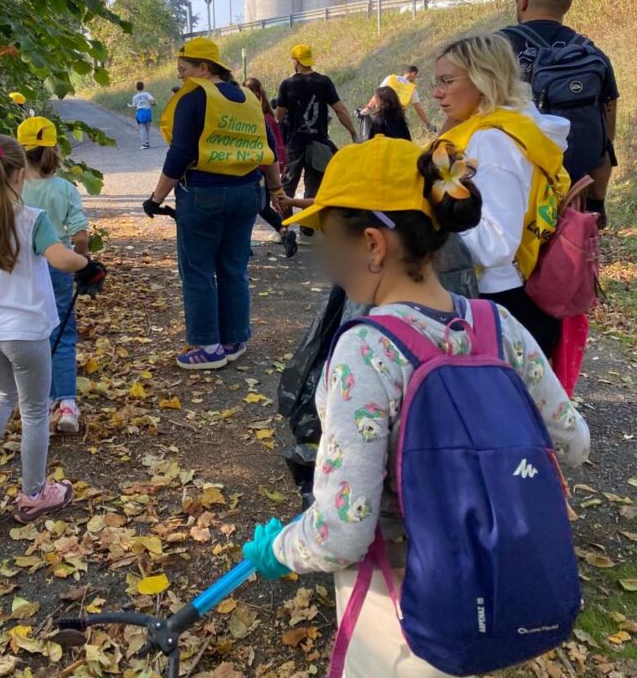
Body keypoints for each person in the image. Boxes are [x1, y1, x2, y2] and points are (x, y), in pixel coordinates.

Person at [242, 137, 589, 678]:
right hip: (493, 573)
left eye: (328, 242)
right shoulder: (498, 325)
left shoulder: (366, 350)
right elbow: (573, 443)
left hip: (403, 601)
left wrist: (282, 549)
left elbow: (342, 533)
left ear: (373, 245)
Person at [0, 135, 92, 522]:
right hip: (27, 333)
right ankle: (34, 493)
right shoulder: (32, 220)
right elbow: (61, 259)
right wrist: (87, 263)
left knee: (1, 395)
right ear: (19, 174)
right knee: (33, 412)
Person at [143, 38, 286, 370]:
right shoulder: (249, 98)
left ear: (203, 68)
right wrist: (277, 190)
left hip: (204, 195)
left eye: (184, 69)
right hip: (247, 193)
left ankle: (207, 347)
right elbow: (267, 151)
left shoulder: (193, 98)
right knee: (234, 267)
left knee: (197, 270)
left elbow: (180, 154)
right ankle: (234, 340)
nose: (180, 76)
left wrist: (156, 198)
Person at [433, 34, 570, 357]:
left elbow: (496, 244)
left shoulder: (491, 141)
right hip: (516, 291)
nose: (437, 92)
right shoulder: (520, 125)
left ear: (485, 79)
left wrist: (429, 231)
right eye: (436, 82)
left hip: (494, 301)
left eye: (447, 81)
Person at [501, 0, 619, 226]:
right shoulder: (591, 54)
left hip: (513, 189)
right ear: (568, 5)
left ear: (523, 0)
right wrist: (596, 203)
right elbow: (605, 137)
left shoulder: (494, 49)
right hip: (574, 190)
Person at [17, 117, 90, 435]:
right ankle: (68, 404)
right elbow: (80, 234)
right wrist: (82, 262)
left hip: (21, 268)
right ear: (55, 149)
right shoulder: (65, 189)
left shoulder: (14, 188)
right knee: (62, 333)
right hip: (58, 265)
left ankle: (41, 401)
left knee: (31, 333)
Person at [276, 44, 359, 240]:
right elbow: (339, 109)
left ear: (295, 61)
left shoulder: (287, 84)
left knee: (288, 184)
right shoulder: (324, 82)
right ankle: (307, 229)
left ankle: (285, 228)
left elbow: (279, 116)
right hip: (318, 141)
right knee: (313, 184)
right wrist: (353, 132)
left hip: (295, 142)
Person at [243, 77, 297, 258]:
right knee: (261, 205)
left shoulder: (258, 118)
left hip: (257, 167)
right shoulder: (269, 116)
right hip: (267, 167)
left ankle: (243, 243)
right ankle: (283, 232)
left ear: (258, 92)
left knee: (250, 205)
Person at [379, 65, 436, 132]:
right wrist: (428, 124)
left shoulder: (391, 78)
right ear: (413, 74)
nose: (415, 78)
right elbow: (418, 108)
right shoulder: (411, 88)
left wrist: (369, 107)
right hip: (397, 116)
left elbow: (377, 94)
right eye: (416, 76)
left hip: (382, 112)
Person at [130, 81, 158, 149]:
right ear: (143, 87)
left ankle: (144, 144)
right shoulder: (147, 94)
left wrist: (133, 106)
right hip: (147, 112)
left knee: (142, 129)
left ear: (136, 88)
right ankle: (147, 142)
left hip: (140, 112)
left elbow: (134, 106)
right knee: (147, 128)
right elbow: (153, 100)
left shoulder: (135, 97)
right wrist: (154, 104)